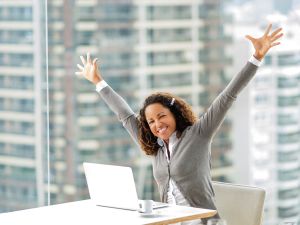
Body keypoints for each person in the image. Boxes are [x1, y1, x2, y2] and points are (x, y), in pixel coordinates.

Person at [76, 24, 283, 224]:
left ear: (175, 114)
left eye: (162, 116)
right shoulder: (155, 148)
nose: (158, 124)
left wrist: (256, 58)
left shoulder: (198, 135)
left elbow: (228, 96)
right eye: (151, 121)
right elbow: (124, 115)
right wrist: (98, 82)